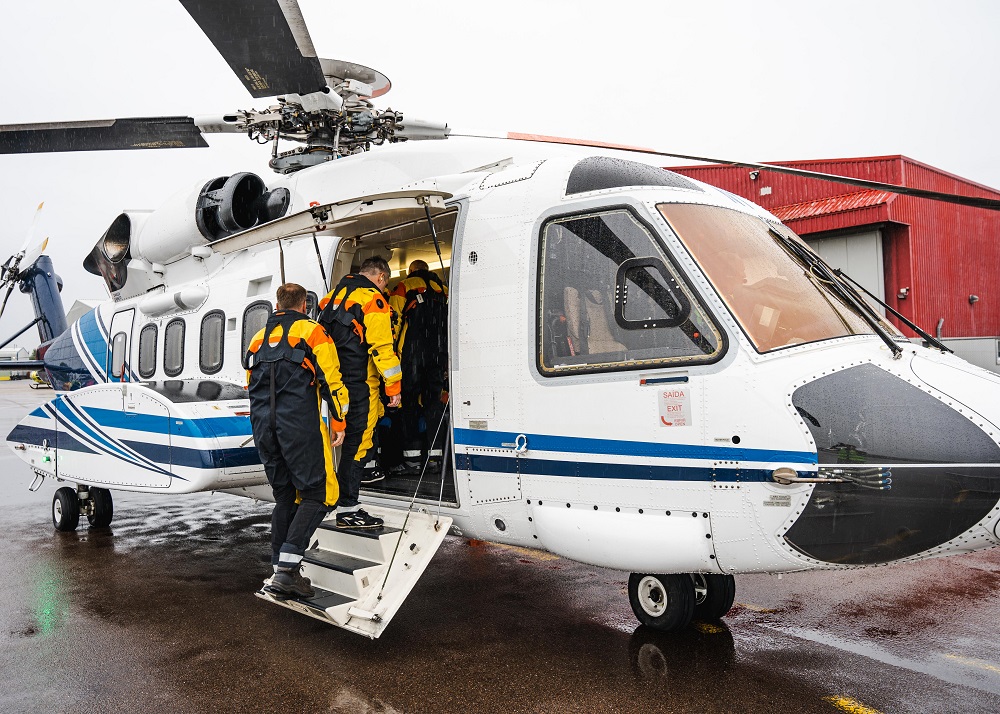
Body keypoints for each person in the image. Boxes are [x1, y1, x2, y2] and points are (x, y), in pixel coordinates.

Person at [246, 283, 348, 598]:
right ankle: (288, 572)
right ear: (305, 305)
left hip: (263, 427)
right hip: (299, 427)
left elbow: (251, 384)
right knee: (320, 494)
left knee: (286, 497)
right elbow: (333, 381)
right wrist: (339, 421)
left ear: (277, 305)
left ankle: (280, 569)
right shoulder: (313, 332)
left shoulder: (257, 339)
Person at [318, 257, 402, 529]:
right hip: (361, 384)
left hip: (338, 386)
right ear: (381, 277)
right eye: (385, 283)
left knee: (352, 445)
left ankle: (345, 498)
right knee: (358, 446)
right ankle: (348, 508)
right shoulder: (372, 300)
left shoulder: (329, 299)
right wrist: (394, 389)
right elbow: (382, 349)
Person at [388, 260, 449, 475]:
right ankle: (435, 458)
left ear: (410, 270)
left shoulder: (404, 286)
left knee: (410, 407)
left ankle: (412, 460)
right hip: (437, 357)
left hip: (412, 357)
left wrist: (392, 353)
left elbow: (393, 321)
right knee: (433, 406)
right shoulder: (444, 290)